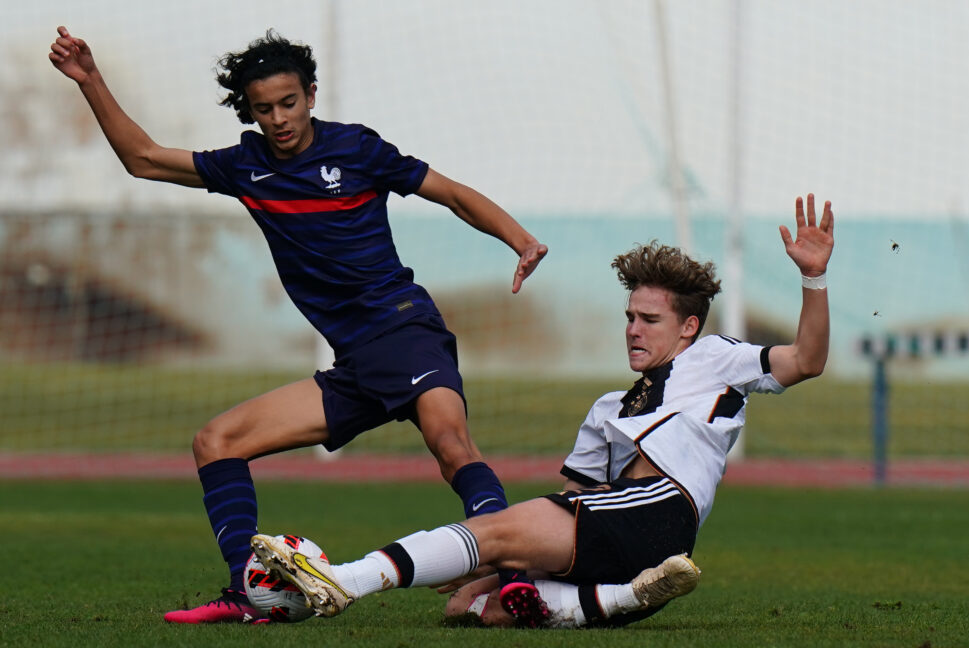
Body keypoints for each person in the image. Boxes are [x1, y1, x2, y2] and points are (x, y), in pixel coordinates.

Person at [48, 26, 548, 623]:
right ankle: (248, 591)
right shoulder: (246, 166)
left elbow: (452, 194)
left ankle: (514, 579)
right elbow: (144, 159)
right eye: (265, 109)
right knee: (216, 442)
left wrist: (519, 239)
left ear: (310, 95)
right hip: (355, 363)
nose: (280, 119)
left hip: (404, 329)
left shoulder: (356, 149)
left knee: (451, 445)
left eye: (289, 103)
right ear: (250, 111)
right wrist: (90, 80)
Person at [250, 194, 835, 628]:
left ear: (688, 327)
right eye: (629, 317)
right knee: (473, 606)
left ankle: (342, 580)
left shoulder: (715, 357)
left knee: (493, 532)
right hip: (622, 538)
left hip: (657, 512)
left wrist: (814, 278)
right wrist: (498, 564)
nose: (633, 329)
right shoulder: (608, 408)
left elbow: (806, 360)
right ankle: (626, 597)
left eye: (649, 320)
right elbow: (572, 496)